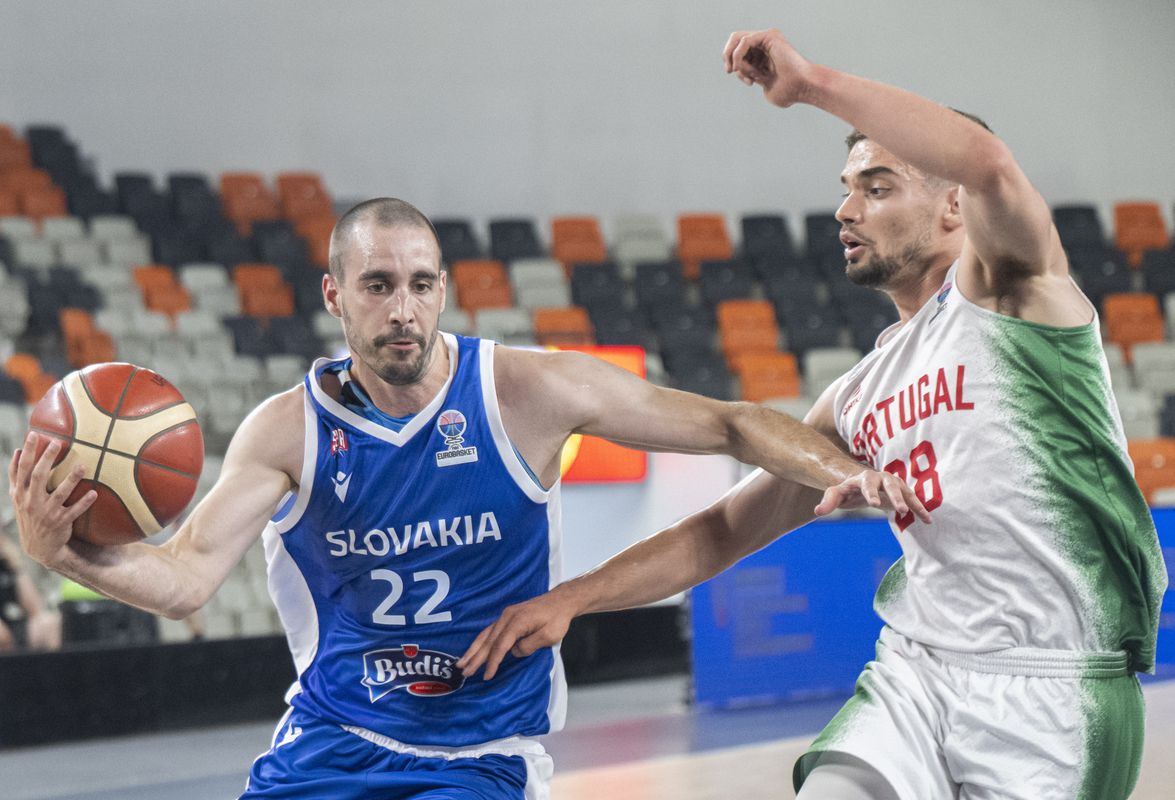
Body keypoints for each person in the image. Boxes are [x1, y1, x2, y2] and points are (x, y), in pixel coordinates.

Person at [8, 197, 923, 800]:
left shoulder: (526, 390)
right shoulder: (285, 431)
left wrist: (841, 476)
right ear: (336, 296)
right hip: (333, 738)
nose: (401, 308)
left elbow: (729, 423)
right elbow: (184, 579)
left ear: (441, 289)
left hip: (480, 755)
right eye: (377, 286)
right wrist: (61, 554)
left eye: (418, 284)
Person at [458, 29, 1168, 800]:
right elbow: (722, 531)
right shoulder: (857, 395)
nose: (844, 208)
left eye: (877, 185)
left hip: (1053, 690)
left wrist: (811, 84)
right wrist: (572, 598)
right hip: (918, 674)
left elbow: (987, 159)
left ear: (953, 205)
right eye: (845, 186)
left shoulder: (1015, 301)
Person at [0, 518, 60, 652]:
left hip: (12, 623)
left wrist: (16, 566)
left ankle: (47, 672)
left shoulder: (5, 558)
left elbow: (35, 609)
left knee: (47, 624)